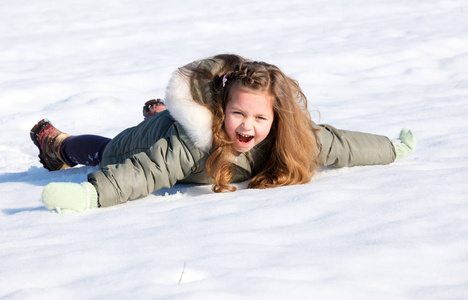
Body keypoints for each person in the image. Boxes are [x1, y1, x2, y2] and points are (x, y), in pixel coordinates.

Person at [30, 54, 416, 214]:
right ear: (221, 109)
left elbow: (341, 143)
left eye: (259, 118)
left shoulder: (289, 135)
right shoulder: (192, 143)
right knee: (109, 150)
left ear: (277, 116)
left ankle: (160, 110)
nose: (247, 127)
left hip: (173, 130)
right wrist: (91, 194)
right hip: (150, 142)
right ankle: (59, 145)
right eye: (237, 114)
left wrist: (393, 149)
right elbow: (144, 173)